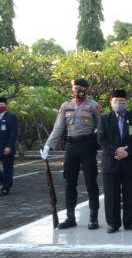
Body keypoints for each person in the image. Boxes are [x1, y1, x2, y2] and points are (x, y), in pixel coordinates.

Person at [41, 78, 102, 229]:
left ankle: (93, 217)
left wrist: (98, 144)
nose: (77, 90)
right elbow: (58, 128)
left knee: (91, 181)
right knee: (69, 182)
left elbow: (102, 128)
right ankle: (70, 217)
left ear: (86, 89)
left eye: (80, 88)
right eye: (75, 88)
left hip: (87, 145)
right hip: (71, 146)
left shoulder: (94, 106)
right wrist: (48, 146)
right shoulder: (66, 105)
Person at [97, 89, 132, 233]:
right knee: (111, 195)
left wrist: (127, 151)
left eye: (122, 101)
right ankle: (113, 223)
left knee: (130, 194)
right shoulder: (104, 118)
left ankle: (130, 222)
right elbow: (101, 139)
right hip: (110, 163)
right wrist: (116, 151)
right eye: (116, 101)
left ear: (126, 102)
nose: (119, 103)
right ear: (111, 103)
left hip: (129, 162)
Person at [0, 97, 18, 196]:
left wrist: (9, 146)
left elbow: (13, 133)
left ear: (6, 105)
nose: (0, 106)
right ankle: (4, 181)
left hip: (7, 147)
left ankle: (6, 188)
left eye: (2, 104)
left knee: (8, 169)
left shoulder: (11, 117)